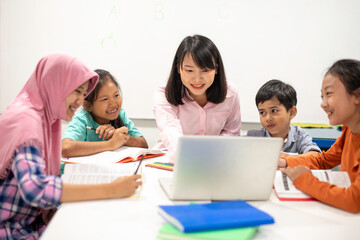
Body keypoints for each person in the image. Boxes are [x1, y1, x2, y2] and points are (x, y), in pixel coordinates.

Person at [0, 54, 142, 239]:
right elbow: (35, 188)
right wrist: (111, 189)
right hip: (13, 229)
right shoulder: (27, 121)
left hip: (32, 221)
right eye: (76, 91)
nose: (80, 100)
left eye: (83, 93)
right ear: (55, 85)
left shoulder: (46, 119)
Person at [279, 59, 360, 213]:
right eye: (322, 96)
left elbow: (354, 200)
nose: (323, 104)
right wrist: (285, 162)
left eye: (329, 94)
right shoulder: (349, 130)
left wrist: (303, 179)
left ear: (357, 95)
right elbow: (324, 161)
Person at [153, 35, 241, 161]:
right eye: (189, 71)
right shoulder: (163, 94)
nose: (197, 79)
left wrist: (212, 155)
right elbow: (170, 132)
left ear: (216, 68)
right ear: (178, 68)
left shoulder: (230, 93)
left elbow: (232, 133)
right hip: (172, 158)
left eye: (205, 70)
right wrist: (192, 158)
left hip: (214, 160)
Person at [62, 69, 148, 158]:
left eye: (116, 95)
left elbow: (143, 144)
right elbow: (66, 148)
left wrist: (120, 137)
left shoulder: (120, 115)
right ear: (88, 105)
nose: (113, 104)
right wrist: (110, 144)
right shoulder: (82, 119)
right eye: (105, 99)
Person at [247, 79, 321, 156]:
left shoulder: (299, 135)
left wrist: (289, 159)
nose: (268, 118)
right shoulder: (254, 137)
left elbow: (315, 155)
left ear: (291, 112)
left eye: (274, 111)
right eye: (262, 112)